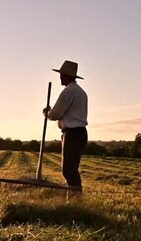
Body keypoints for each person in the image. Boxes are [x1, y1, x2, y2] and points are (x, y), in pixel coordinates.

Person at [43, 60, 88, 192]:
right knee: (71, 169)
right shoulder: (81, 92)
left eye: (62, 75)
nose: (60, 77)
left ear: (67, 76)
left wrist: (47, 113)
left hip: (72, 134)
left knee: (68, 170)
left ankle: (75, 199)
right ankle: (74, 197)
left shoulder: (69, 92)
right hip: (80, 133)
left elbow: (55, 114)